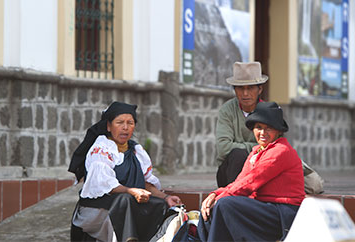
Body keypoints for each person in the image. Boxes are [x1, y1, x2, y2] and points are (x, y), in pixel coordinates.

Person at [68, 101, 182, 242]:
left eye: (130, 123)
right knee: (125, 200)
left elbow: (145, 182)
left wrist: (165, 198)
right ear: (109, 126)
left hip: (127, 204)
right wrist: (131, 191)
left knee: (160, 205)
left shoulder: (136, 151)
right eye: (119, 122)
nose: (125, 127)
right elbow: (105, 184)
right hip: (97, 210)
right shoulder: (102, 149)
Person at [198, 102, 305, 242]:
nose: (262, 133)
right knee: (209, 208)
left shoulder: (280, 151)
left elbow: (251, 182)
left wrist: (220, 198)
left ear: (278, 131)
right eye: (258, 128)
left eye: (269, 128)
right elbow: (240, 181)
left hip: (282, 212)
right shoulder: (256, 151)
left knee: (225, 204)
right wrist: (214, 195)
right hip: (264, 207)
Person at [216, 61, 266, 187]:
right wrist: (255, 147)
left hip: (259, 171)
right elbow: (223, 148)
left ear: (260, 89)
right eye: (240, 88)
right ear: (234, 90)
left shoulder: (268, 112)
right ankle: (233, 198)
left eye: (250, 88)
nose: (245, 93)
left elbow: (273, 148)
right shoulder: (227, 110)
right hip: (229, 174)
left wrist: (241, 147)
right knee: (238, 155)